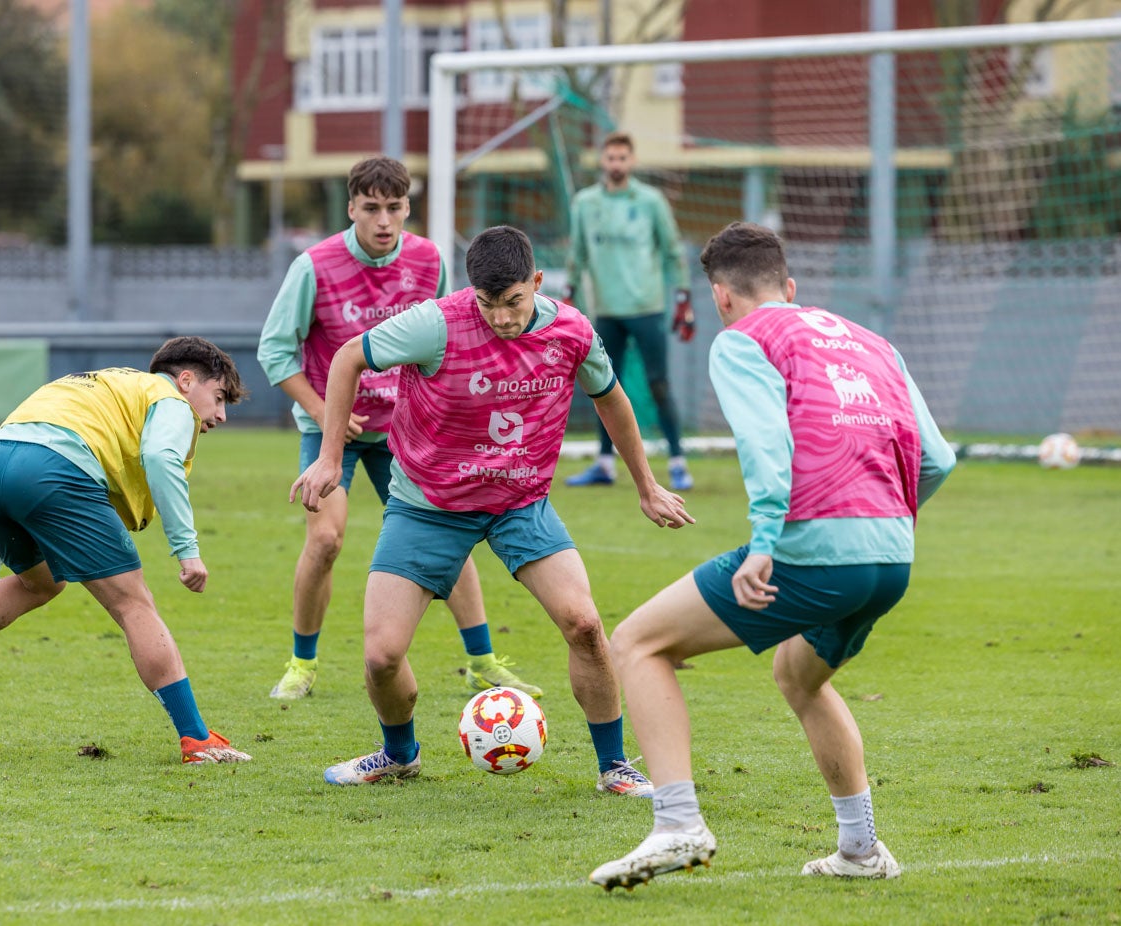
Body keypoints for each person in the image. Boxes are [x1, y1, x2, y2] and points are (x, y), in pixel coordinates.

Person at [588, 222, 957, 889]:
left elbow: (766, 449)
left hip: (811, 550)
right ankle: (860, 850)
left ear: (720, 296)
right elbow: (936, 459)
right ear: (789, 287)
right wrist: (885, 524)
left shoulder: (741, 341)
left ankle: (676, 825)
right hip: (891, 555)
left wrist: (764, 543)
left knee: (638, 643)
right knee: (798, 674)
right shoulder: (875, 344)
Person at [292, 225, 695, 794]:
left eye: (513, 303)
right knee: (382, 656)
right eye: (488, 304)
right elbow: (347, 358)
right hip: (427, 504)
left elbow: (612, 401)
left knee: (584, 624)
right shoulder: (435, 324)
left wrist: (647, 485)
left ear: (536, 282)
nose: (502, 318)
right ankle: (399, 754)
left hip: (519, 502)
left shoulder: (573, 331)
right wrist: (331, 456)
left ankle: (614, 767)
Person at [258, 156, 542, 701]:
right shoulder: (313, 266)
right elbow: (274, 351)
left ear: (408, 207)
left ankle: (482, 660)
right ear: (351, 209)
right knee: (325, 538)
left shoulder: (428, 258)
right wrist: (323, 412)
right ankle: (302, 665)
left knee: (447, 537)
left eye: (394, 208)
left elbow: (442, 335)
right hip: (331, 428)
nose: (383, 220)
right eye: (371, 208)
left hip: (409, 431)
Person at [0, 337, 254, 767]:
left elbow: (21, 467)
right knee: (133, 604)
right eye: (218, 398)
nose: (221, 415)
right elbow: (160, 457)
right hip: (55, 471)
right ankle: (198, 740)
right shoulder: (169, 399)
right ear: (186, 380)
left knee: (40, 581)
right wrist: (187, 551)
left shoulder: (104, 387)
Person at [563, 131, 696, 492]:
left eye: (623, 158)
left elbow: (672, 250)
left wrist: (683, 300)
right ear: (602, 161)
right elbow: (578, 253)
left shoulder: (651, 201)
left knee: (659, 383)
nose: (616, 164)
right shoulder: (585, 203)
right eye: (611, 158)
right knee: (603, 387)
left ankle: (677, 462)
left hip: (647, 307)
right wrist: (569, 295)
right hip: (605, 310)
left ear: (631, 161)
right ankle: (605, 464)